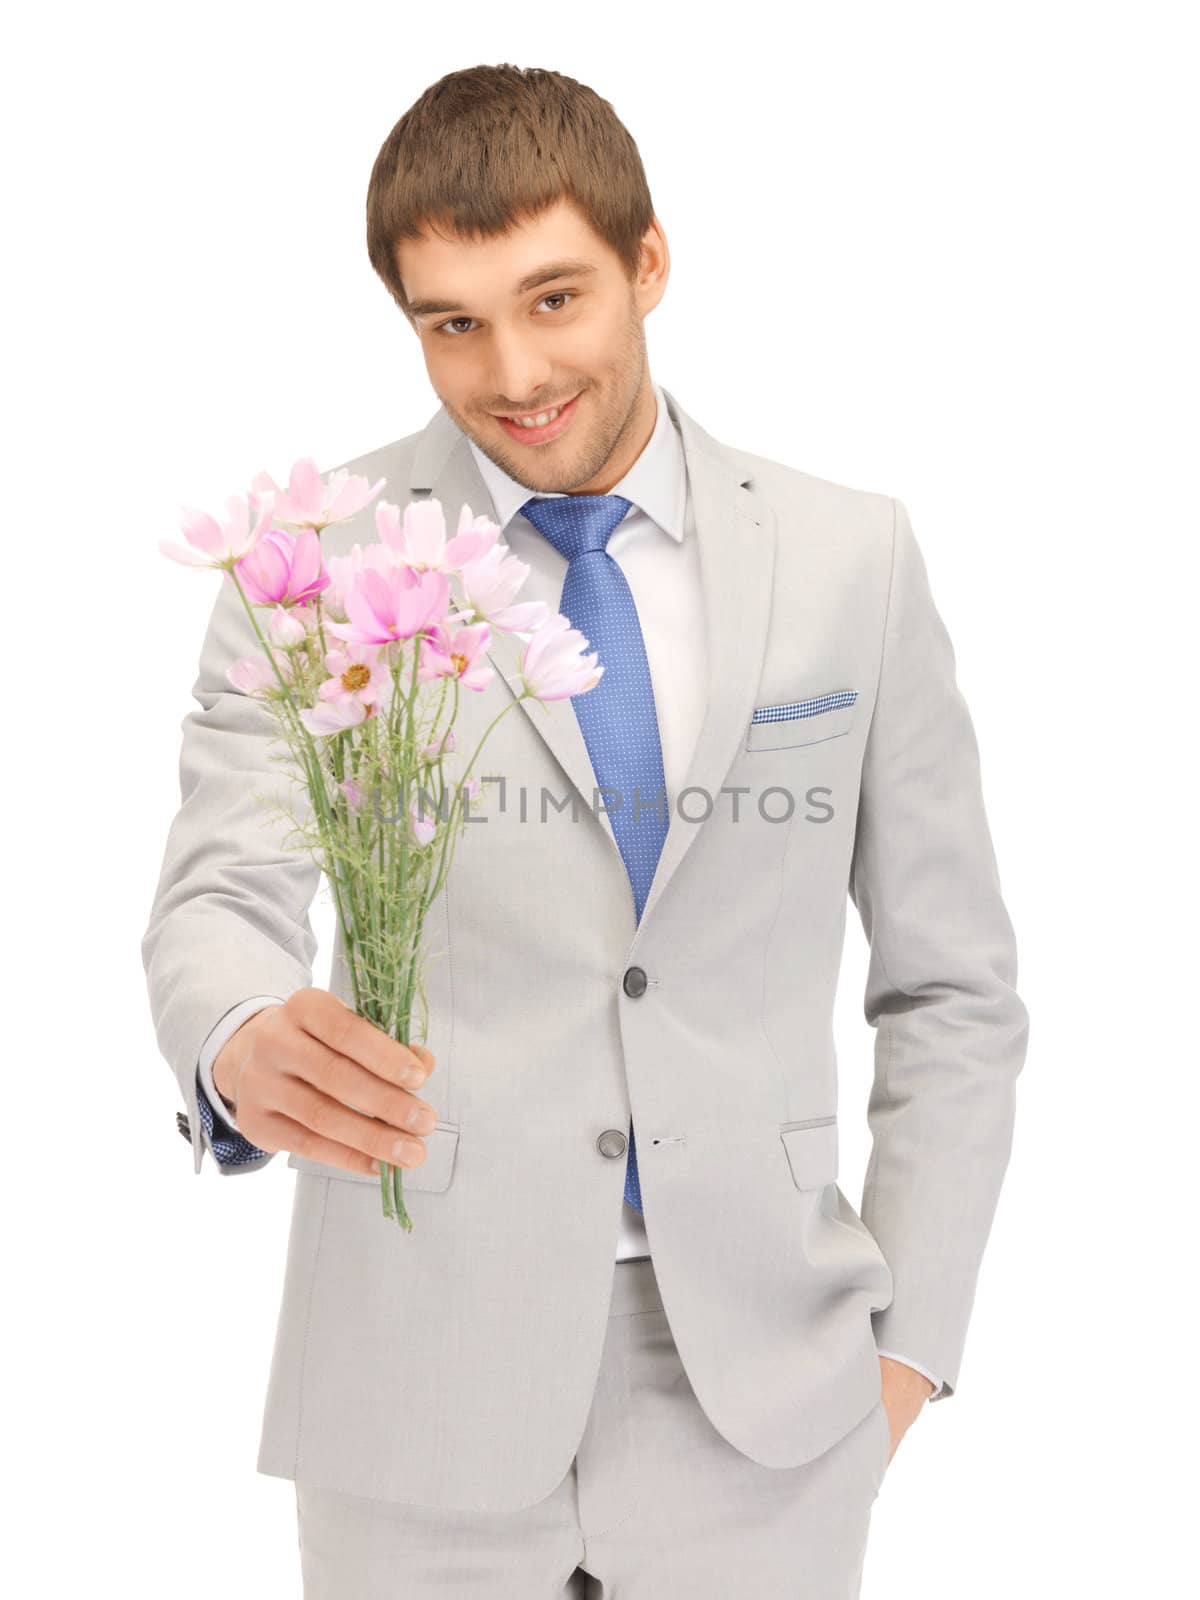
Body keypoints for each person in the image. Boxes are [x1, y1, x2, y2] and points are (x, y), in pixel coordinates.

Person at [141, 62, 1029, 1599]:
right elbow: (219, 888)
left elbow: (952, 989)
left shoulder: (851, 559)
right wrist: (232, 1032)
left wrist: (909, 1356)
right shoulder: (313, 560)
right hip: (413, 1382)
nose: (514, 371)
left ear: (649, 264)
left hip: (767, 1393)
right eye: (453, 322)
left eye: (555, 298)